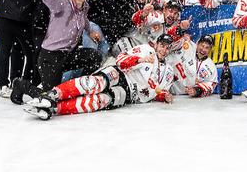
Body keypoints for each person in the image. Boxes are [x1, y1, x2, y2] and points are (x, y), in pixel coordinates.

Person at [23, 34, 176, 120]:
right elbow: (121, 60)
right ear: (156, 45)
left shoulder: (168, 71)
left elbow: (155, 91)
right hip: (121, 74)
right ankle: (53, 94)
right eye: (162, 45)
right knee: (93, 84)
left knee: (99, 101)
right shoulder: (146, 50)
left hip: (129, 94)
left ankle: (56, 108)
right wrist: (140, 60)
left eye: (167, 46)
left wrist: (164, 96)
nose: (164, 49)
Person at [36, 0, 103, 91]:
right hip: (51, 56)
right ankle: (21, 85)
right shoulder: (61, 4)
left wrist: (90, 31)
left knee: (95, 56)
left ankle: (83, 85)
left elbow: (84, 20)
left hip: (68, 55)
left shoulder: (84, 7)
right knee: (51, 95)